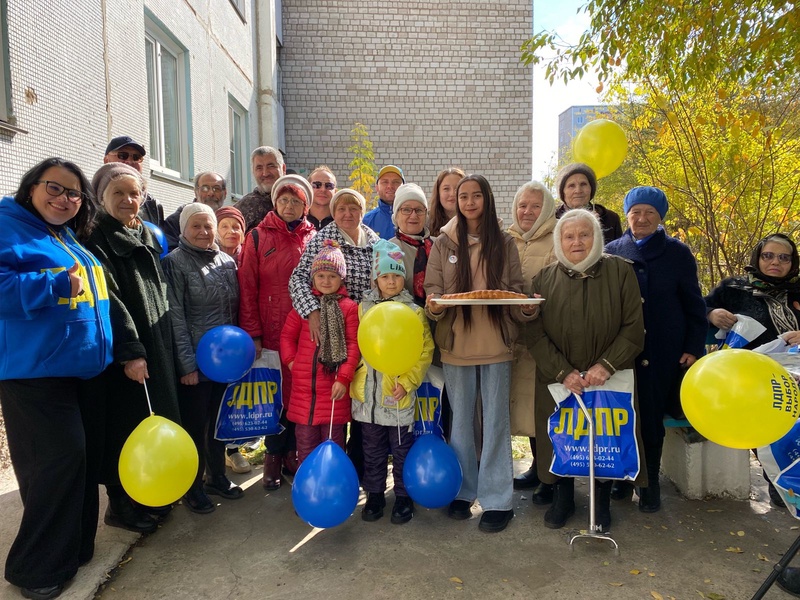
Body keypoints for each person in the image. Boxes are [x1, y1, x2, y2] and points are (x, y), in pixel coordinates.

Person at [0, 158, 113, 600]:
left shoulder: (64, 235)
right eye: (55, 188)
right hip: (35, 372)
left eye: (73, 194)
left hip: (77, 369)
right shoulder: (8, 226)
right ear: (31, 187)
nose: (64, 199)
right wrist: (52, 286)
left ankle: (74, 549)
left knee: (78, 462)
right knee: (56, 463)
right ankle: (35, 568)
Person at [424, 174, 538, 534]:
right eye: (463, 196)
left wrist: (526, 309)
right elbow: (433, 290)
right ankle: (462, 491)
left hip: (496, 344)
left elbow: (515, 292)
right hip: (457, 344)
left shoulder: (504, 242)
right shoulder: (443, 243)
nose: (470, 202)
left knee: (494, 421)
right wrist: (435, 307)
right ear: (455, 201)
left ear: (487, 200)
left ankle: (498, 499)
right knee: (460, 423)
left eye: (476, 196)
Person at [525, 208, 646, 532]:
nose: (576, 241)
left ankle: (600, 501)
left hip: (607, 375)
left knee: (605, 439)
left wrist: (605, 366)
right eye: (569, 235)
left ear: (597, 238)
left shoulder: (620, 272)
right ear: (559, 240)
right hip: (558, 379)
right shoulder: (543, 279)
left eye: (584, 234)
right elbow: (533, 334)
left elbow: (634, 328)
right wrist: (562, 371)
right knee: (563, 437)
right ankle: (563, 498)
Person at [82, 162, 181, 535]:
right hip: (132, 350)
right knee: (127, 426)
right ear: (101, 197)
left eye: (134, 193)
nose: (127, 200)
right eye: (118, 193)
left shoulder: (142, 233)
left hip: (157, 343)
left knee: (156, 420)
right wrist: (131, 350)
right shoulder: (97, 238)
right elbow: (111, 299)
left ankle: (150, 494)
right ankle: (122, 505)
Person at [605, 186, 707, 512]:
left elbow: (694, 306)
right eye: (636, 212)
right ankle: (621, 480)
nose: (642, 218)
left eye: (650, 212)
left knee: (651, 420)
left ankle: (649, 487)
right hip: (621, 351)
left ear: (660, 217)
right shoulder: (610, 251)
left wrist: (693, 347)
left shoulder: (677, 253)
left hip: (663, 350)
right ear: (627, 215)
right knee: (621, 416)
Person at [288, 188, 380, 478]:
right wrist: (311, 311)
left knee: (359, 404)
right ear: (333, 212)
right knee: (333, 406)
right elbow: (299, 278)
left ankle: (354, 469)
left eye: (354, 208)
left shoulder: (374, 240)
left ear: (362, 211)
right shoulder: (322, 239)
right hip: (327, 331)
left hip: (364, 326)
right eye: (341, 209)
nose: (347, 214)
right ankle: (318, 472)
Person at [705, 232, 800, 509]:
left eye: (784, 258)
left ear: (792, 263)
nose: (775, 262)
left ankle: (789, 479)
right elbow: (699, 305)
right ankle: (779, 479)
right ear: (757, 258)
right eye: (768, 256)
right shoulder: (735, 288)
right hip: (750, 379)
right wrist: (711, 314)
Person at [162, 203, 243, 513]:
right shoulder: (175, 263)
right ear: (184, 230)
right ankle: (192, 487)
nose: (204, 232)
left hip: (224, 363)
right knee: (194, 428)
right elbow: (176, 317)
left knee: (218, 424)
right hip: (196, 364)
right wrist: (187, 365)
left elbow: (233, 312)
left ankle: (216, 477)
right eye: (196, 226)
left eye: (208, 226)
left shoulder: (227, 261)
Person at [238, 175, 316, 489]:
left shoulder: (315, 238)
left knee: (299, 394)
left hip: (303, 332)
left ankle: (293, 453)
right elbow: (247, 288)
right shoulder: (257, 237)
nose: (288, 206)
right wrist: (253, 333)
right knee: (274, 398)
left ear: (305, 205)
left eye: (295, 200)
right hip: (270, 331)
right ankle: (272, 457)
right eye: (283, 199)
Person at [351, 240, 434, 524]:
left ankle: (402, 496)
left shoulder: (414, 311)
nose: (391, 281)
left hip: (397, 396)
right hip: (368, 398)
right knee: (371, 449)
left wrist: (408, 383)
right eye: (385, 276)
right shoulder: (363, 308)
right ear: (376, 278)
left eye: (396, 275)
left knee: (401, 450)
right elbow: (357, 346)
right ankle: (374, 494)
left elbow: (425, 351)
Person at [280, 241, 361, 464]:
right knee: (305, 444)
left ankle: (332, 484)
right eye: (321, 276)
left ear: (342, 279)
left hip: (334, 388)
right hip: (304, 390)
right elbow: (287, 337)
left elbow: (353, 345)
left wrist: (344, 378)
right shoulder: (305, 307)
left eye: (332, 276)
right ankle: (308, 486)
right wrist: (291, 362)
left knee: (333, 443)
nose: (326, 281)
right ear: (313, 278)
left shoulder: (348, 308)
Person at [507, 181, 557, 505]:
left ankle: (550, 476)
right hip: (513, 337)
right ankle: (536, 468)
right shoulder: (507, 239)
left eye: (535, 206)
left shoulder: (557, 238)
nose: (527, 212)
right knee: (525, 408)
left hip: (545, 337)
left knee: (545, 409)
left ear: (547, 210)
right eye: (522, 205)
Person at [103, 135, 164, 227]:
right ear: (107, 160)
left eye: (136, 157)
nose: (130, 161)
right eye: (123, 155)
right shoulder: (89, 197)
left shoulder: (153, 205)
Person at [554, 162, 622, 244]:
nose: (578, 190)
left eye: (583, 184)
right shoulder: (551, 220)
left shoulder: (610, 218)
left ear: (591, 189)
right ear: (562, 192)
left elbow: (617, 251)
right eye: (571, 186)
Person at [390, 183, 432, 306]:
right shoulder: (389, 249)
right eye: (406, 209)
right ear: (396, 216)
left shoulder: (438, 246)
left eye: (419, 210)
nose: (413, 215)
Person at [162, 171, 227, 251]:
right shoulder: (177, 220)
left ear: (225, 193)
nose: (210, 193)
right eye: (205, 188)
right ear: (196, 192)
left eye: (216, 189)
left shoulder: (229, 220)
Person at [236, 146, 286, 232]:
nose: (265, 173)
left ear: (283, 168)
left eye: (271, 166)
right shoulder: (245, 206)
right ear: (253, 172)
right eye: (259, 168)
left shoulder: (298, 200)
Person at [363, 165, 404, 239]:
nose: (390, 186)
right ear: (377, 188)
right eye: (385, 182)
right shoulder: (366, 221)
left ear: (404, 187)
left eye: (396, 182)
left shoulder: (414, 219)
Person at [428, 167, 465, 238]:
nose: (452, 194)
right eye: (446, 189)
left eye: (457, 188)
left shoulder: (475, 223)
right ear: (438, 193)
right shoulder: (426, 223)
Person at [307, 165, 337, 231]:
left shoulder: (342, 221)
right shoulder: (297, 220)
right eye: (317, 185)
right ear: (308, 188)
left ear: (335, 191)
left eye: (329, 186)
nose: (323, 189)